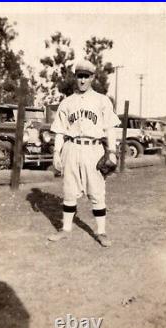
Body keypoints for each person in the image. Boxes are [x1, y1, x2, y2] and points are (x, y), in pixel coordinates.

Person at [48, 59, 119, 247]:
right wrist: (56, 153)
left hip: (93, 149)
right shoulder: (66, 102)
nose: (82, 80)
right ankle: (66, 229)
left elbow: (111, 128)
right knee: (69, 191)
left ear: (92, 78)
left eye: (86, 76)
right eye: (79, 76)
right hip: (71, 148)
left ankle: (101, 232)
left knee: (96, 191)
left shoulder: (102, 100)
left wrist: (111, 151)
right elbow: (60, 131)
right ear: (75, 77)